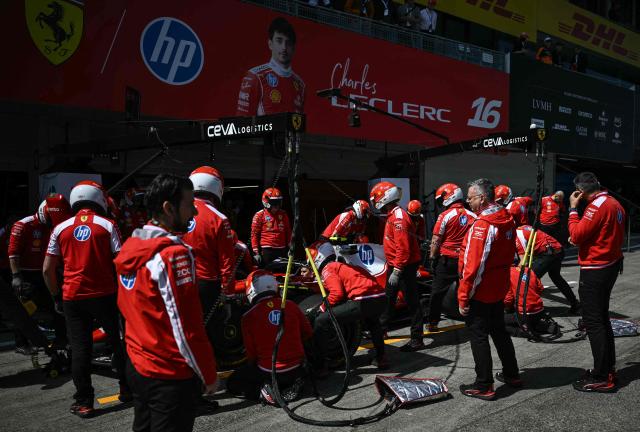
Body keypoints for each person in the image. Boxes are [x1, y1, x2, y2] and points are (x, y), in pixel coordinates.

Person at [115, 174, 218, 431]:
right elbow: (186, 326)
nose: (195, 211)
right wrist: (207, 372)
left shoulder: (133, 243)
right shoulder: (175, 254)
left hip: (137, 364)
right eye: (189, 204)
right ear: (168, 208)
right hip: (169, 375)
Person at [43, 182, 129, 418]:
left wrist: (56, 296)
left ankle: (84, 402)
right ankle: (127, 389)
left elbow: (47, 269)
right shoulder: (108, 225)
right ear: (99, 199)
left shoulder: (60, 228)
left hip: (72, 297)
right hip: (106, 295)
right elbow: (122, 262)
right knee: (118, 342)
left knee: (80, 350)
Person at [458, 178, 520, 400]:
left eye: (470, 197)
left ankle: (484, 385)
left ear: (482, 198)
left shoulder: (483, 225)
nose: (467, 201)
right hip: (499, 287)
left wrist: (464, 297)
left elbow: (473, 266)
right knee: (500, 332)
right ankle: (512, 374)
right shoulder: (508, 218)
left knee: (479, 335)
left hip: (481, 290)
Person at [568, 172, 625, 392]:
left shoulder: (596, 206)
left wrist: (573, 209)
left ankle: (602, 376)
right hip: (610, 264)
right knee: (602, 319)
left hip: (596, 268)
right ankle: (607, 369)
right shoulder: (614, 203)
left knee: (594, 322)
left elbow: (576, 234)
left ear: (580, 192)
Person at [227, 270, 311, 404]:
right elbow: (307, 333)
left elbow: (251, 354)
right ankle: (297, 382)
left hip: (270, 372)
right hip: (297, 369)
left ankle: (264, 393)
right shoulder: (291, 305)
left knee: (233, 383)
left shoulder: (248, 317)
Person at [309, 241, 388, 375]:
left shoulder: (329, 268)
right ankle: (382, 359)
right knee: (373, 323)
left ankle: (321, 366)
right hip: (380, 299)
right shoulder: (346, 265)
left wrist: (321, 308)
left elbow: (336, 293)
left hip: (364, 300)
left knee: (321, 321)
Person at [10, 194, 71, 353]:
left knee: (57, 305)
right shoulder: (23, 225)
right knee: (25, 310)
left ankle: (61, 338)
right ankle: (21, 343)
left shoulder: (55, 227)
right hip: (25, 275)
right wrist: (16, 277)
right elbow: (13, 253)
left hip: (47, 273)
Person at [181, 166, 236, 342]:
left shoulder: (175, 211)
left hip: (177, 280)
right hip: (206, 285)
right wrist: (229, 297)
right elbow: (227, 262)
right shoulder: (219, 218)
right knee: (208, 331)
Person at [371, 181, 424, 351]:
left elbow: (404, 248)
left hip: (404, 266)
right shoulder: (393, 214)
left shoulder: (398, 217)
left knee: (412, 302)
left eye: (376, 198)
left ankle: (417, 339)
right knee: (388, 298)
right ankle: (382, 329)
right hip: (398, 265)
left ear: (384, 198)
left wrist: (398, 270)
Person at [428, 184, 476, 332]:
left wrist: (432, 257)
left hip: (447, 261)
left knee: (436, 293)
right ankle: (472, 320)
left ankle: (433, 323)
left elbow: (436, 240)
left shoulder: (444, 216)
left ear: (448, 196)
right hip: (466, 260)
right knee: (469, 292)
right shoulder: (473, 216)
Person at [236, 17, 305, 116]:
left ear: (294, 48)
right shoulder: (255, 76)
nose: (284, 47)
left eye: (288, 43)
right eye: (279, 41)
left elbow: (298, 126)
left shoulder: (300, 85)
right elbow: (241, 123)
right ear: (270, 44)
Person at [514, 225, 580, 313]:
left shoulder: (517, 237)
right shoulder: (521, 229)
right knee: (556, 277)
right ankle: (575, 303)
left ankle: (534, 309)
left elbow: (523, 263)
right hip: (556, 249)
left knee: (527, 279)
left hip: (549, 252)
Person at [504, 266, 559, 338]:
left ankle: (524, 332)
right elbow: (540, 288)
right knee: (531, 319)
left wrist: (504, 307)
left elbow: (508, 299)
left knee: (497, 322)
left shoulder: (508, 273)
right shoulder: (529, 270)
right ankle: (540, 326)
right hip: (539, 309)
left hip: (525, 312)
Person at [251, 187, 292, 267]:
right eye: (274, 203)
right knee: (268, 272)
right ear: (266, 202)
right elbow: (254, 234)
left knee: (282, 273)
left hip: (282, 249)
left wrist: (291, 248)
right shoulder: (259, 215)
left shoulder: (283, 214)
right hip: (267, 250)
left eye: (278, 202)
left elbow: (288, 231)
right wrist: (256, 251)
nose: (277, 206)